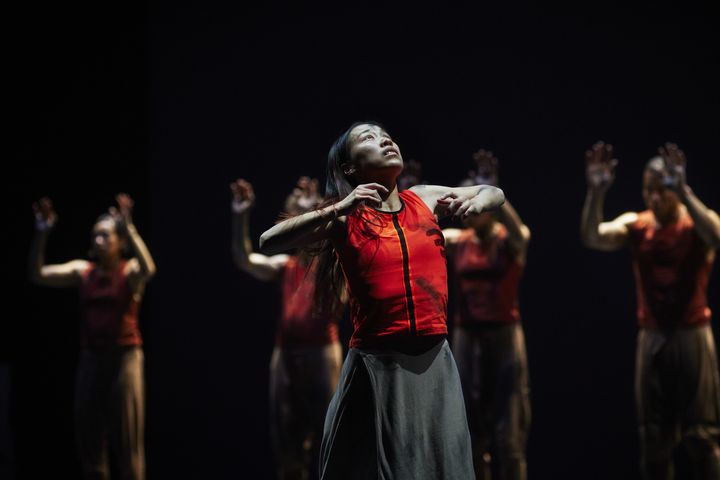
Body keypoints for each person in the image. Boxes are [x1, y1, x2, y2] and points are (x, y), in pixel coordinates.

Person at [260, 121, 505, 479]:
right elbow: (269, 241)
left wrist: (479, 200)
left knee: (445, 465)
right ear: (350, 168)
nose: (385, 140)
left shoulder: (422, 197)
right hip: (379, 364)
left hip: (435, 358)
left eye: (385, 135)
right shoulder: (346, 218)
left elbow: (493, 191)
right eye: (368, 138)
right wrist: (338, 208)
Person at [580, 141, 720, 479]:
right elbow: (593, 236)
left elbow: (716, 235)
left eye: (662, 190)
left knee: (702, 437)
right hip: (652, 338)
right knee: (653, 438)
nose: (654, 198)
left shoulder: (694, 224)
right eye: (648, 191)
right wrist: (596, 193)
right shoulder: (638, 224)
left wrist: (685, 192)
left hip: (692, 336)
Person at [28, 194, 156, 480]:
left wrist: (130, 228)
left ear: (120, 242)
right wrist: (42, 233)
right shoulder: (83, 271)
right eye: (95, 236)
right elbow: (37, 273)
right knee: (89, 437)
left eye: (106, 235)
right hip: (91, 359)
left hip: (125, 358)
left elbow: (149, 268)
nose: (99, 240)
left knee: (127, 440)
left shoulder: (129, 272)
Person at [230, 176, 344, 480]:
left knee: (327, 433)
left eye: (299, 216)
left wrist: (316, 216)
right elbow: (245, 259)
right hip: (287, 353)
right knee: (286, 431)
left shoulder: (331, 261)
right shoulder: (286, 265)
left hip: (322, 352)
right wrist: (241, 217)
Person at [443, 149, 531, 480]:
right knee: (469, 426)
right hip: (468, 336)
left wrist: (495, 193)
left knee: (509, 427)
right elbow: (424, 234)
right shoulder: (458, 241)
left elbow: (521, 233)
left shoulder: (509, 241)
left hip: (505, 335)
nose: (468, 212)